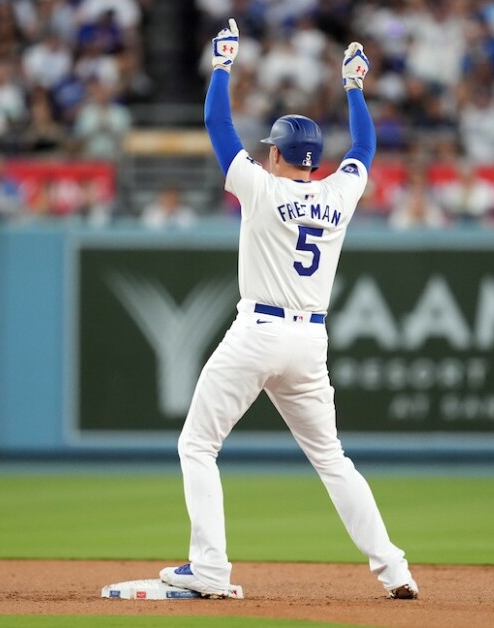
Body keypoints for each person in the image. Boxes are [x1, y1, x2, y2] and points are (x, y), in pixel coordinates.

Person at [158, 20, 419, 601]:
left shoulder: (261, 187)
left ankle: (210, 569)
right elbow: (364, 149)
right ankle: (395, 569)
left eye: (269, 149)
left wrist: (222, 65)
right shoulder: (339, 192)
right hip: (310, 343)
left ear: (276, 153)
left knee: (197, 445)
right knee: (333, 460)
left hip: (258, 331)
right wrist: (354, 87)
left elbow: (216, 124)